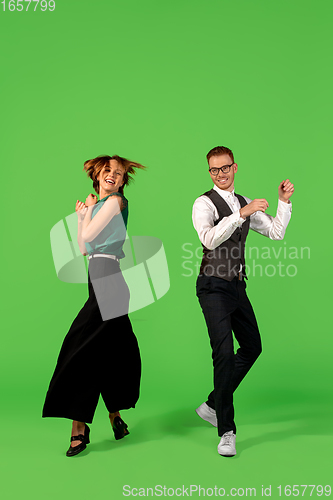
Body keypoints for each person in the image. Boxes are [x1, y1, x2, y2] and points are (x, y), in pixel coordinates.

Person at [192, 146, 294, 457]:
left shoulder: (245, 202)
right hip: (212, 285)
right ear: (209, 172)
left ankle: (212, 404)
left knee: (252, 347)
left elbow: (276, 232)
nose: (220, 174)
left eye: (224, 168)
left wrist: (283, 202)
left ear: (235, 167)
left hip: (237, 286)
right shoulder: (203, 203)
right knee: (223, 353)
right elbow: (208, 239)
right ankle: (227, 430)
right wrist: (239, 215)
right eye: (214, 170)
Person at [42, 154, 146, 457]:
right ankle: (115, 417)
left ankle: (79, 427)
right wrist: (82, 215)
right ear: (97, 176)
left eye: (119, 173)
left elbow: (88, 235)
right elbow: (84, 247)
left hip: (109, 279)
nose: (113, 175)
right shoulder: (99, 206)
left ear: (124, 180)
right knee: (111, 351)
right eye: (107, 171)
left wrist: (85, 216)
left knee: (80, 350)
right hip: (100, 277)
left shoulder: (116, 203)